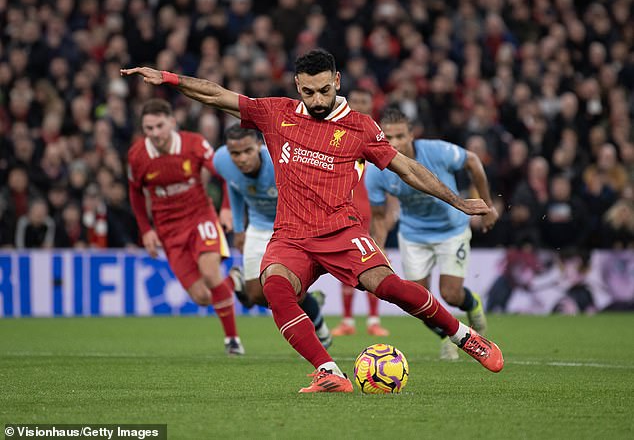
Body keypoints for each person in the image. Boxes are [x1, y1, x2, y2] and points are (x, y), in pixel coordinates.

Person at [121, 49, 504, 394]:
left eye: (324, 90)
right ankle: (328, 371)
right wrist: (171, 79)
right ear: (296, 86)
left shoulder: (360, 127)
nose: (318, 100)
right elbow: (216, 94)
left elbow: (406, 169)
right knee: (274, 288)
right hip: (291, 236)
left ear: (337, 81)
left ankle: (465, 336)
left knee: (389, 287)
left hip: (342, 231)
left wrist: (456, 201)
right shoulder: (276, 113)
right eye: (309, 92)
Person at [366, 108, 498, 361]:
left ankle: (472, 305)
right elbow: (380, 217)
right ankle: (447, 337)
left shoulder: (436, 151)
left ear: (412, 135)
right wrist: (379, 248)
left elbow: (473, 161)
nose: (394, 143)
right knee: (416, 301)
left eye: (400, 136)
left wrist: (488, 204)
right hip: (414, 235)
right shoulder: (375, 171)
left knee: (450, 294)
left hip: (451, 230)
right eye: (388, 137)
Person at [127, 98, 244, 356]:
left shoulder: (193, 144)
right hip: (168, 230)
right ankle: (235, 282)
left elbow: (224, 174)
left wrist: (226, 208)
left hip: (201, 217)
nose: (155, 134)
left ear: (172, 122)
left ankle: (232, 340)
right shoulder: (137, 156)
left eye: (159, 126)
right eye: (149, 128)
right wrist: (146, 229)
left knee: (210, 272)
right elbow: (135, 193)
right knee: (202, 296)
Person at [213, 124, 333, 348]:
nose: (242, 159)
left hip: (290, 227)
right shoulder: (220, 161)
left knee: (283, 290)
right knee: (256, 296)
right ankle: (310, 301)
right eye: (235, 153)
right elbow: (235, 187)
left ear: (260, 145)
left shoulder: (281, 162)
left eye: (248, 151)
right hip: (258, 227)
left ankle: (318, 325)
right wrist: (239, 228)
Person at [331, 87, 391, 337]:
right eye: (354, 101)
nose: (357, 105)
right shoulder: (334, 133)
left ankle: (374, 321)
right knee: (345, 266)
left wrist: (387, 214)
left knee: (375, 263)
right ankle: (347, 321)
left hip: (370, 211)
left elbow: (388, 178)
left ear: (371, 105)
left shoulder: (375, 137)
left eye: (363, 101)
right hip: (343, 210)